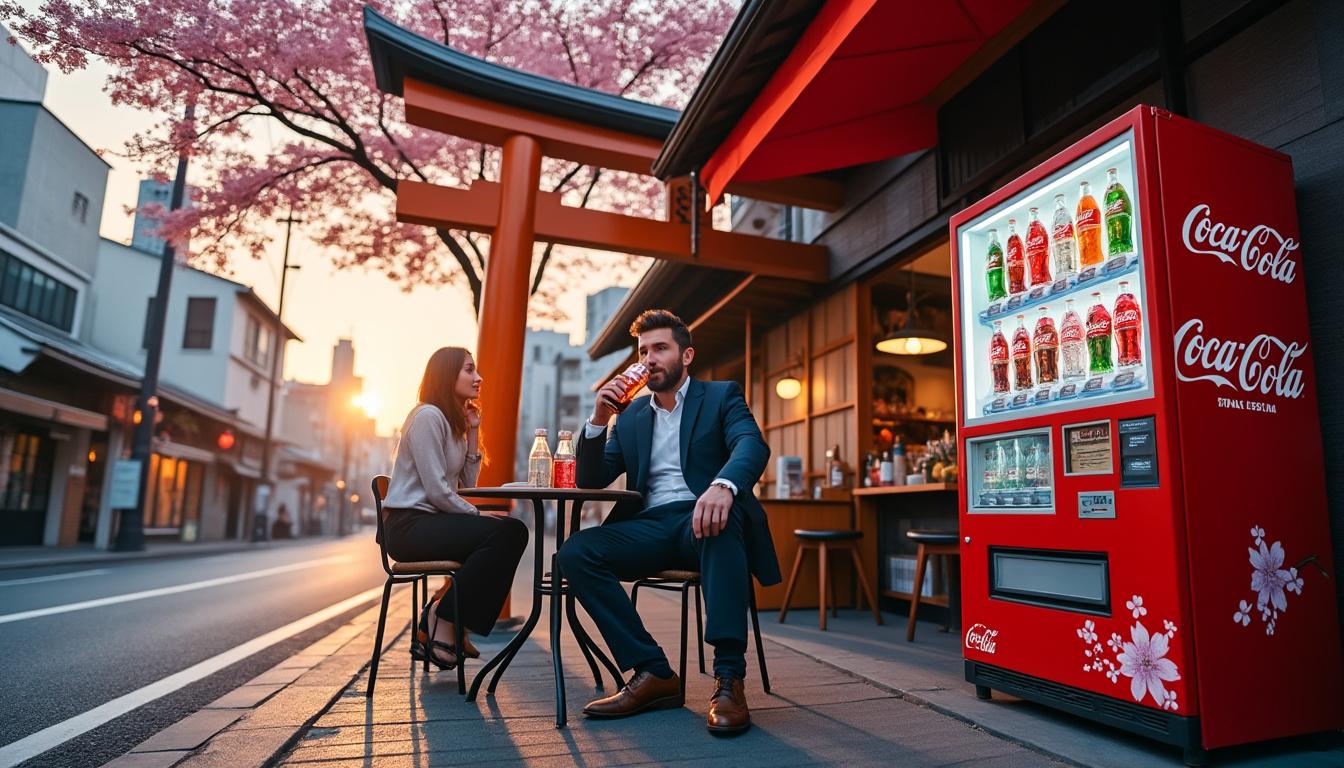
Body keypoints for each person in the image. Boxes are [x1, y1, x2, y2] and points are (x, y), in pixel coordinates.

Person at [558, 309, 779, 735]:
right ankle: (653, 671)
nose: (649, 359)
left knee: (721, 519)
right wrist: (598, 419)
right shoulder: (632, 416)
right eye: (643, 351)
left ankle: (729, 678)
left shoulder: (720, 396)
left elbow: (751, 444)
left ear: (687, 355)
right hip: (650, 526)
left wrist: (723, 485)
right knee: (576, 552)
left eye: (660, 348)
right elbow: (591, 480)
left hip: (705, 518)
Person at [382, 347, 529, 668]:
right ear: (447, 375)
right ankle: (443, 618)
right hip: (409, 527)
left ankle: (445, 614)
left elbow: (465, 485)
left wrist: (473, 431)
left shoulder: (452, 423)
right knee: (507, 532)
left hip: (433, 523)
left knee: (512, 530)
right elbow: (437, 490)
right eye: (469, 370)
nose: (479, 378)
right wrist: (477, 516)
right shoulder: (427, 417)